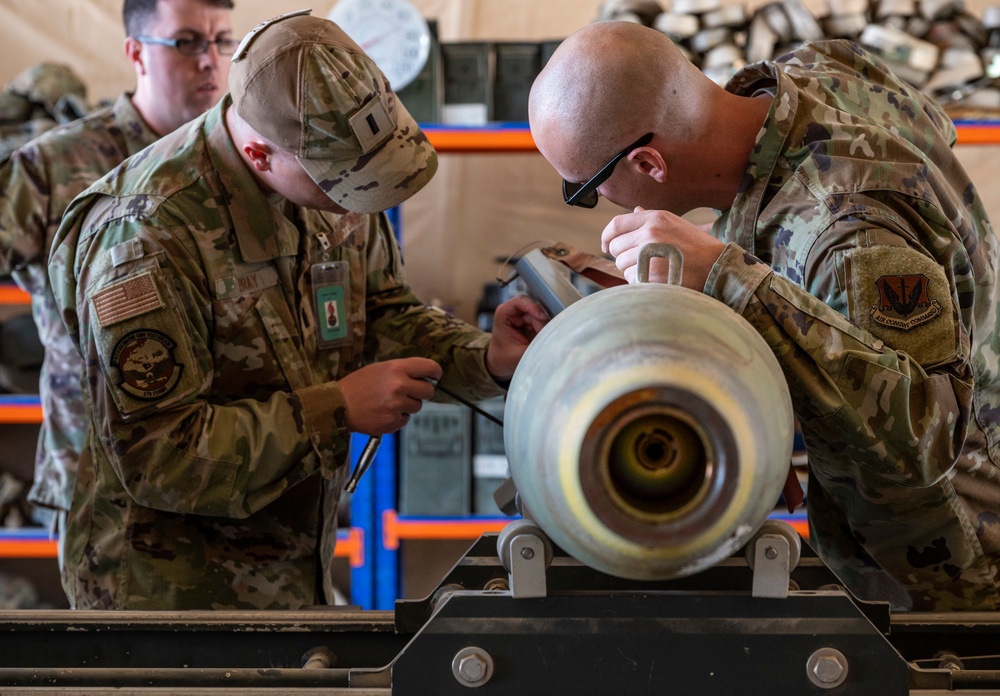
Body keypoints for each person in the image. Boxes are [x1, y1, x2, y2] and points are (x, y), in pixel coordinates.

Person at [48, 10, 547, 610]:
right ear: (260, 154)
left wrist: (484, 356)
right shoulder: (146, 234)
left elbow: (383, 314)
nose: (352, 205)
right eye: (340, 187)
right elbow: (159, 453)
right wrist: (335, 409)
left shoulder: (329, 179)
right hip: (172, 598)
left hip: (293, 569)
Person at [528, 21, 1000, 612]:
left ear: (649, 163)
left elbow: (927, 441)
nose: (596, 204)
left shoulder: (844, 233)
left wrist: (732, 277)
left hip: (956, 565)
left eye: (585, 189)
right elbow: (929, 131)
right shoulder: (820, 72)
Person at [0, 0, 236, 566]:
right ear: (135, 52)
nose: (209, 61)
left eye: (222, 41)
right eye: (186, 42)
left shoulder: (244, 155)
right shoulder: (58, 164)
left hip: (236, 468)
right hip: (105, 488)